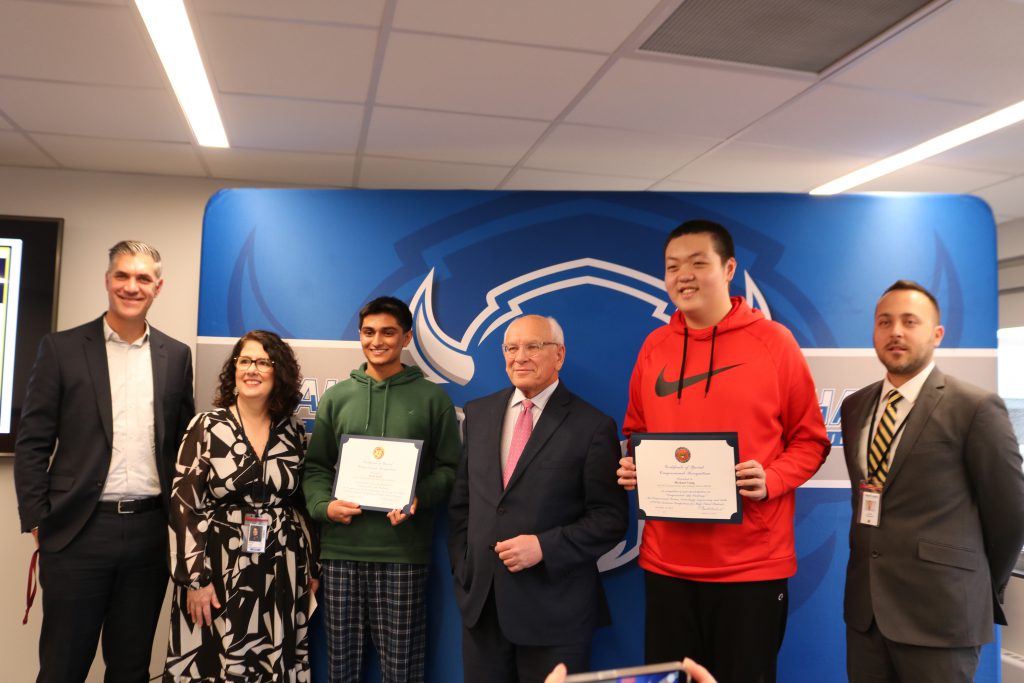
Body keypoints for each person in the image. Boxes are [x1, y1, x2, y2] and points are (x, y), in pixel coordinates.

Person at [616, 220, 830, 683]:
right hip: (667, 564)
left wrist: (771, 480)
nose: (683, 276)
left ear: (728, 268)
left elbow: (811, 440)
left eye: (698, 263)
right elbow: (636, 430)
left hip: (751, 567)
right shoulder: (654, 347)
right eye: (672, 267)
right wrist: (636, 466)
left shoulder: (774, 343)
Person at [14, 240, 195, 683]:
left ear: (158, 287)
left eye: (143, 278)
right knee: (63, 666)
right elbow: (33, 441)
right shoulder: (61, 349)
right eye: (122, 275)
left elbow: (184, 446)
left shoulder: (176, 356)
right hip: (79, 531)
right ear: (108, 280)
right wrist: (39, 517)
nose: (131, 286)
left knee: (131, 666)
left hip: (151, 535)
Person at [841, 280, 1024, 682]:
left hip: (942, 615)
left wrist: (973, 587)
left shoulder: (975, 407)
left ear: (936, 334)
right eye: (884, 322)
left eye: (910, 321)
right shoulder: (855, 407)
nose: (896, 332)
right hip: (867, 615)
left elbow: (1011, 518)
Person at [449, 314, 629, 682]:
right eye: (511, 348)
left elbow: (610, 519)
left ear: (559, 355)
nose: (520, 357)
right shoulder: (478, 414)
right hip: (482, 610)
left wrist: (544, 547)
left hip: (555, 615)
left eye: (533, 346)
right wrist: (465, 568)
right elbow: (462, 505)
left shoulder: (593, 426)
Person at [303, 296, 460, 683]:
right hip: (341, 551)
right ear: (360, 336)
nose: (377, 340)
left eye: (388, 332)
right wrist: (324, 506)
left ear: (406, 337)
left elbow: (451, 469)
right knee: (341, 667)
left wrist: (418, 498)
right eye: (369, 332)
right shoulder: (338, 398)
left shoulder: (432, 399)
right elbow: (316, 467)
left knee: (402, 669)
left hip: (403, 551)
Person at [164, 330, 318, 681]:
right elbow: (183, 503)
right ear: (233, 369)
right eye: (245, 360)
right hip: (217, 569)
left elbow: (302, 504)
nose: (252, 369)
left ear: (278, 372)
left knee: (272, 663)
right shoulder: (206, 426)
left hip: (281, 567)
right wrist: (194, 579)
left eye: (263, 362)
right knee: (215, 662)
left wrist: (311, 569)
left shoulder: (292, 432)